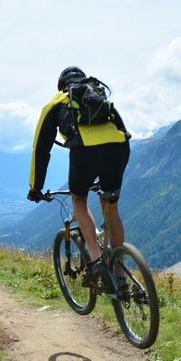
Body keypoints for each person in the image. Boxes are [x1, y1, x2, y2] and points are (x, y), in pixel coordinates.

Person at [27, 66, 131, 289]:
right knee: (112, 209)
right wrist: (116, 176)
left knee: (79, 200)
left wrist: (35, 187)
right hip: (116, 150)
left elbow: (41, 149)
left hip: (84, 152)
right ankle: (120, 274)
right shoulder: (98, 95)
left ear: (62, 85)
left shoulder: (56, 102)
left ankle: (96, 260)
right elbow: (123, 134)